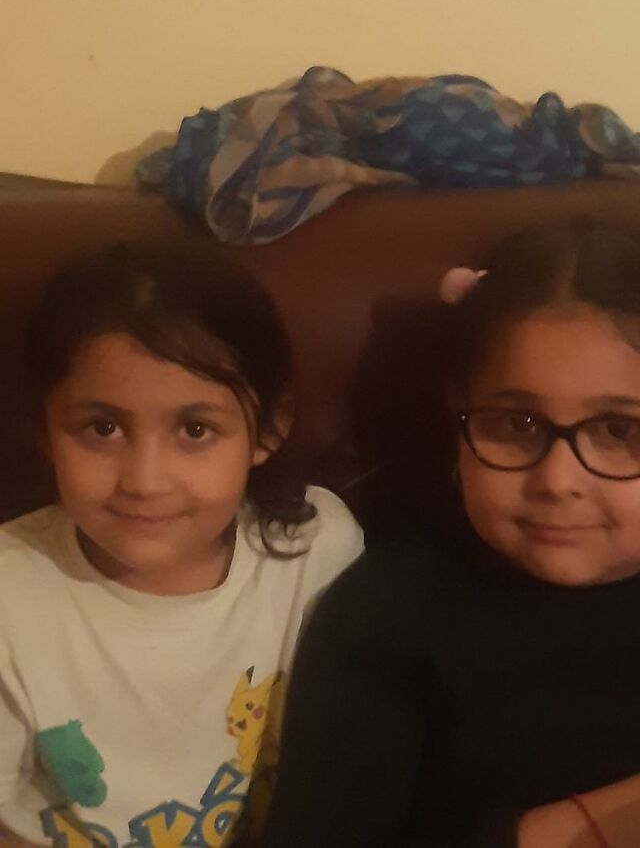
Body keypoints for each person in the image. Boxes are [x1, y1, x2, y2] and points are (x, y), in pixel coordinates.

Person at [263, 221, 640, 848]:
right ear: (458, 409)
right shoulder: (390, 610)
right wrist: (594, 823)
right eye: (516, 424)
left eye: (620, 431)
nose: (557, 481)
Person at [0, 243, 363, 848]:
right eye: (102, 428)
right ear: (45, 429)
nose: (145, 481)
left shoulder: (316, 547)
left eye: (195, 429)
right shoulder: (11, 594)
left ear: (268, 428)